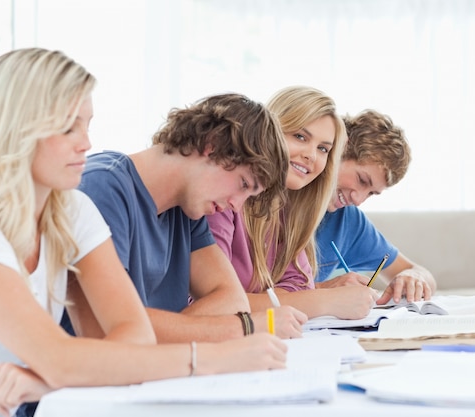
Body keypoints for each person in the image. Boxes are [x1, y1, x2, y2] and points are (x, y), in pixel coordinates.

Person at [0, 48, 287, 417]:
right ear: (14, 127)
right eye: (69, 126)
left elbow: (132, 337)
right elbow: (62, 355)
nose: (85, 142)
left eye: (87, 124)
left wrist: (53, 376)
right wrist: (215, 354)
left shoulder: (71, 210)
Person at [69, 87, 307, 343]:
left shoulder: (187, 211)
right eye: (243, 184)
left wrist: (173, 332)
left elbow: (232, 299)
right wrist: (246, 327)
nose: (237, 206)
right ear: (212, 145)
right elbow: (110, 329)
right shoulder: (102, 188)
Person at [207, 86, 380, 320]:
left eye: (323, 149)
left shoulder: (290, 209)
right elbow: (211, 304)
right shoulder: (222, 201)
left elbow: (298, 286)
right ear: (270, 132)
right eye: (300, 137)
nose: (311, 155)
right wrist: (325, 300)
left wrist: (264, 301)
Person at [314, 109, 436, 303]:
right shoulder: (275, 203)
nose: (358, 199)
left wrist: (415, 277)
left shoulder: (348, 220)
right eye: (362, 180)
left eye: (371, 193)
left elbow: (417, 271)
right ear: (338, 151)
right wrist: (322, 290)